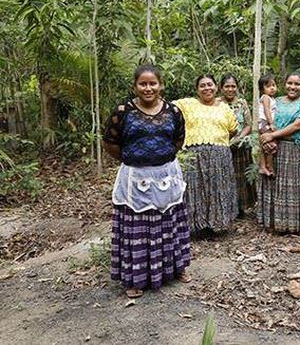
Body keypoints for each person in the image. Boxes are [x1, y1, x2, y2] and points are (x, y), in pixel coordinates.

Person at [103, 65, 191, 298]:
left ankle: (175, 269)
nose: (148, 88)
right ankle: (135, 278)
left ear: (160, 85)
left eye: (153, 83)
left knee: (169, 223)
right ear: (135, 86)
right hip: (135, 179)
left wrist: (160, 160)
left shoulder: (173, 111)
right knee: (137, 227)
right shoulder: (123, 112)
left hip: (166, 175)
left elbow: (178, 139)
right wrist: (133, 160)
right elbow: (110, 142)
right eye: (143, 83)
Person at [175, 74, 238, 235]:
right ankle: (195, 225)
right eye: (202, 85)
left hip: (219, 154)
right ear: (197, 90)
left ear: (216, 87)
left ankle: (216, 224)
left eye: (210, 84)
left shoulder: (224, 107)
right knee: (194, 188)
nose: (207, 88)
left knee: (218, 188)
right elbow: (166, 109)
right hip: (192, 154)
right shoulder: (186, 104)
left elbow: (233, 129)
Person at [256, 72, 300, 233]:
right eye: (290, 83)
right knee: (273, 184)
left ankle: (295, 224)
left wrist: (272, 134)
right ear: (284, 84)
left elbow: (297, 125)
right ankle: (273, 223)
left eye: (297, 84)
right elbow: (263, 116)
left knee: (292, 187)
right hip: (274, 148)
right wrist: (265, 137)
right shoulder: (276, 100)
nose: (292, 87)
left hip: (295, 149)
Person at [219, 74, 254, 217]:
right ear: (221, 88)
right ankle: (225, 207)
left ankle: (241, 208)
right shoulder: (216, 103)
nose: (230, 89)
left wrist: (238, 138)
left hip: (240, 146)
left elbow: (248, 124)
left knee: (240, 178)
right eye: (227, 86)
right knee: (225, 177)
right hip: (221, 145)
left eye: (233, 86)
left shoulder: (241, 103)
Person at [258, 73, 278, 176]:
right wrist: (271, 123)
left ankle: (264, 166)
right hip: (264, 122)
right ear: (262, 89)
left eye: (273, 85)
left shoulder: (273, 99)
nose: (272, 88)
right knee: (270, 143)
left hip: (265, 122)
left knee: (267, 144)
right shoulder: (265, 97)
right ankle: (268, 165)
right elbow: (266, 110)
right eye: (268, 86)